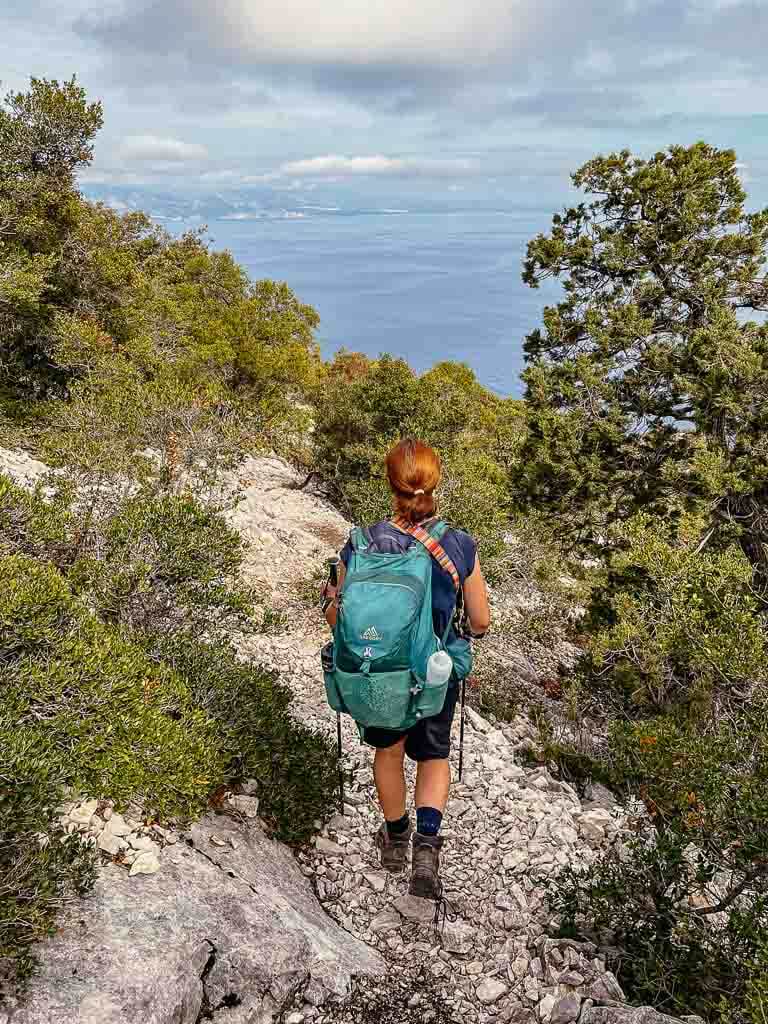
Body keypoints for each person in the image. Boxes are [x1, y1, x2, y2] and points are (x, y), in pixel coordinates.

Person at [323, 437, 490, 899]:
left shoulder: (361, 542)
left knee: (389, 751)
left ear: (390, 483)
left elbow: (336, 615)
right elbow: (480, 620)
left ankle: (395, 837)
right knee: (433, 757)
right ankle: (426, 852)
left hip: (379, 673)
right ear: (435, 482)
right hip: (435, 672)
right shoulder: (458, 544)